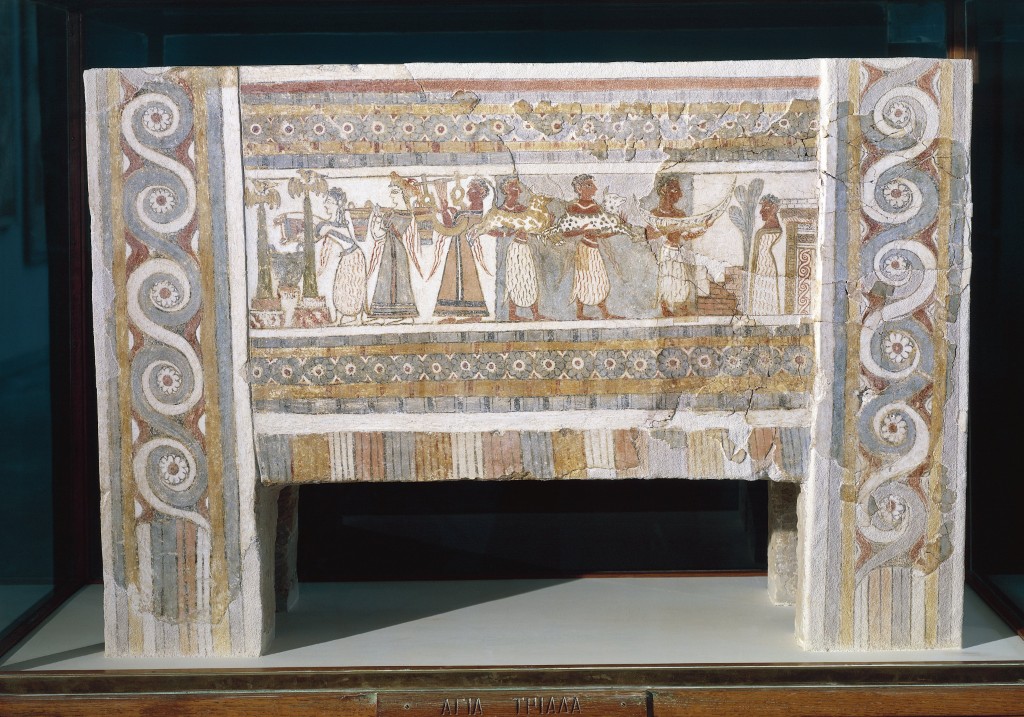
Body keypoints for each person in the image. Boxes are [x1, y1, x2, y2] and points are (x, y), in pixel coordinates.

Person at [552, 174, 635, 320]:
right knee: (582, 279)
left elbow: (602, 233)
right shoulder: (573, 207)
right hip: (583, 248)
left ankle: (605, 313)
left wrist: (618, 227)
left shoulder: (597, 208)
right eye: (589, 185)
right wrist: (583, 231)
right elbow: (566, 232)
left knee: (600, 278)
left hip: (594, 249)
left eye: (593, 185)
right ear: (579, 188)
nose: (595, 189)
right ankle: (580, 313)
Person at [644, 176, 708, 317]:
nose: (680, 194)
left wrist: (704, 228)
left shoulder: (680, 214)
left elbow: (686, 235)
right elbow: (649, 235)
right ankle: (665, 307)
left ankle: (681, 307)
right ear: (664, 190)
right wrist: (667, 230)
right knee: (666, 280)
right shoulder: (654, 214)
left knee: (681, 281)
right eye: (676, 189)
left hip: (677, 252)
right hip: (664, 252)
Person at [431, 178, 489, 321]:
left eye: (472, 190)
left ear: (480, 193)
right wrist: (446, 211)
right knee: (453, 276)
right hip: (457, 245)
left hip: (463, 246)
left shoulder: (477, 207)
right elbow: (452, 226)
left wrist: (449, 212)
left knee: (466, 277)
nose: (468, 192)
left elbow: (455, 228)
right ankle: (450, 313)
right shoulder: (469, 209)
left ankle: (474, 314)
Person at [317, 188, 367, 325]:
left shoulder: (345, 218)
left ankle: (358, 318)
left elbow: (350, 236)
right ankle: (338, 319)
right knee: (340, 286)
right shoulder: (329, 223)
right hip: (346, 256)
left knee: (356, 286)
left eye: (329, 201)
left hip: (355, 256)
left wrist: (331, 228)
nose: (325, 204)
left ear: (338, 203)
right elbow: (324, 241)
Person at [748, 194, 784, 315]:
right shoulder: (767, 226)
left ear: (774, 208)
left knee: (767, 290)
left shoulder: (774, 226)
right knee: (759, 292)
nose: (761, 211)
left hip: (766, 264)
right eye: (762, 207)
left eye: (766, 207)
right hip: (759, 263)